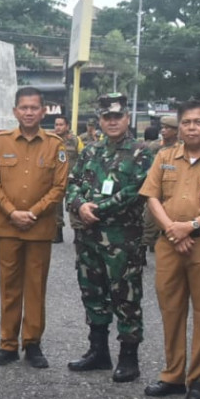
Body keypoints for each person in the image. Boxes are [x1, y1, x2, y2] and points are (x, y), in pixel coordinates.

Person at [139, 99, 200, 399]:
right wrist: (172, 229)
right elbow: (152, 196)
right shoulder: (165, 156)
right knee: (171, 309)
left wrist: (189, 226)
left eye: (197, 122)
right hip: (169, 243)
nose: (191, 127)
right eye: (186, 122)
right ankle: (173, 374)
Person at [65, 94, 153, 382]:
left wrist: (98, 209)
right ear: (100, 121)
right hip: (88, 237)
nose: (112, 122)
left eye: (117, 117)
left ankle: (129, 358)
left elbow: (135, 191)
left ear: (127, 118)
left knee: (126, 297)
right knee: (92, 292)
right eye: (106, 117)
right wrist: (79, 205)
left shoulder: (141, 153)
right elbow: (73, 182)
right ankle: (98, 351)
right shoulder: (91, 151)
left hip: (122, 240)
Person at [0, 87, 68, 369]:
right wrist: (12, 212)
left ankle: (32, 343)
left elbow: (59, 186)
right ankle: (8, 343)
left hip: (39, 227)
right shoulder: (0, 143)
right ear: (15, 112)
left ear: (44, 111)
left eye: (35, 107)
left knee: (35, 287)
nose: (29, 112)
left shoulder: (55, 145)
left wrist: (32, 213)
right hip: (8, 227)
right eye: (24, 107)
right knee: (9, 287)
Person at [141, 114, 178, 248]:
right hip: (155, 191)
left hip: (172, 192)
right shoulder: (158, 148)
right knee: (149, 222)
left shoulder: (181, 150)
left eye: (168, 128)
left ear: (176, 131)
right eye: (162, 128)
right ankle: (144, 249)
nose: (163, 131)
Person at [53, 114, 81, 243]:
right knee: (55, 208)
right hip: (55, 180)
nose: (58, 127)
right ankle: (57, 234)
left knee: (74, 207)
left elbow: (84, 157)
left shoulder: (75, 140)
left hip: (72, 180)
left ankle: (78, 234)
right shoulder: (51, 140)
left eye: (61, 124)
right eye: (56, 125)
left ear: (67, 126)